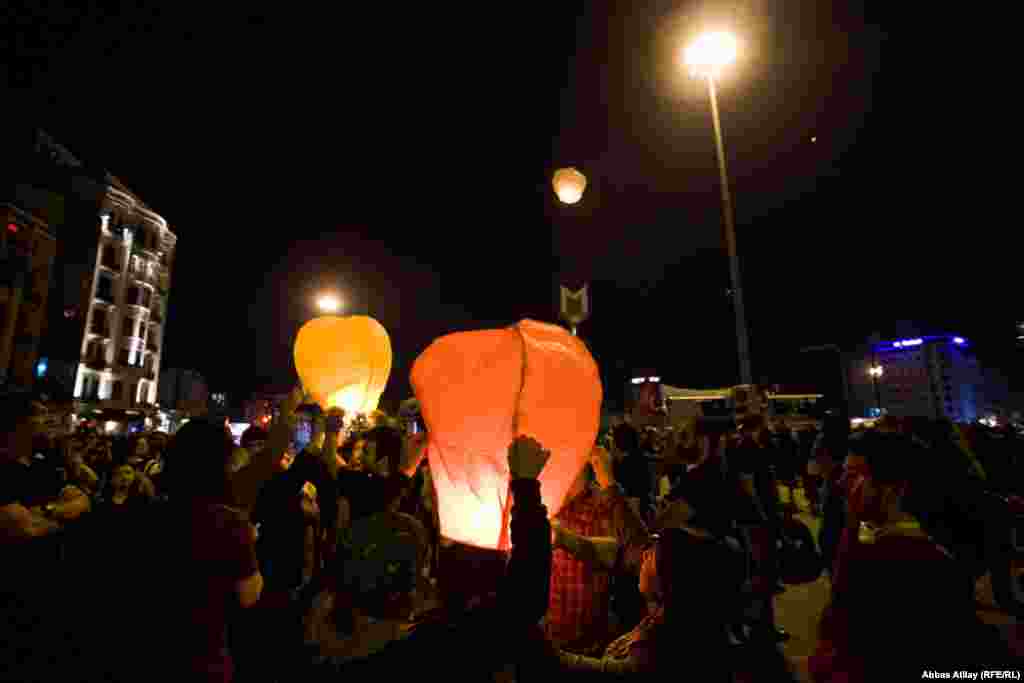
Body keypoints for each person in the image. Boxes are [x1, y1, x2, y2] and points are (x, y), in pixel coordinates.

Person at [301, 435, 552, 678]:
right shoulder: (427, 652)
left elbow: (371, 529)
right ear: (410, 588)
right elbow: (523, 602)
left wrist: (402, 474)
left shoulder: (317, 631)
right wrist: (526, 487)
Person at [809, 430, 1012, 681]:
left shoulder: (918, 562)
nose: (840, 484)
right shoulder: (863, 538)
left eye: (853, 476)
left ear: (894, 487)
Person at [545, 443, 650, 655]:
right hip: (545, 643)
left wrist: (564, 538)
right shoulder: (543, 500)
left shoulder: (604, 503)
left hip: (590, 644)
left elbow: (624, 553)